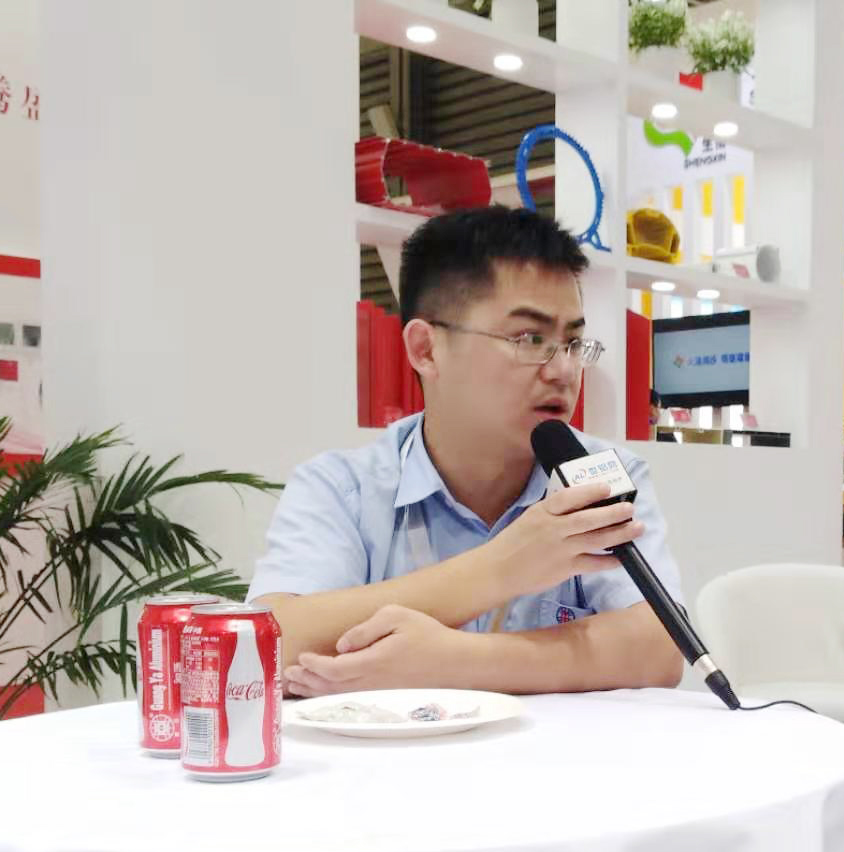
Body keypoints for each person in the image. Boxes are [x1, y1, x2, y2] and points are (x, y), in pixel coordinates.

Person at [248, 206, 685, 696]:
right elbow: (265, 645)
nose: (564, 370)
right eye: (530, 338)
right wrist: (500, 569)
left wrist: (451, 662)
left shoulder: (601, 477)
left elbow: (663, 646)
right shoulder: (342, 488)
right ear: (426, 350)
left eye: (574, 342)